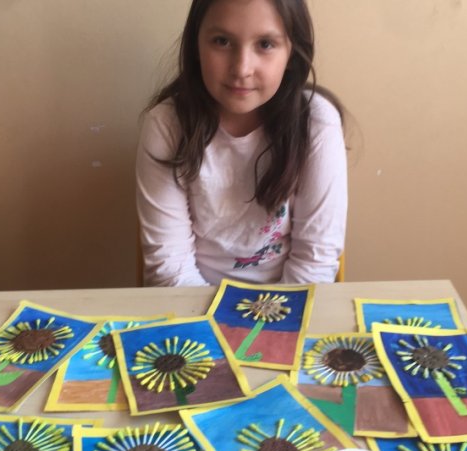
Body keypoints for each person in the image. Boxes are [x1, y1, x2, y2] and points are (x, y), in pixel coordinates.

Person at [136, 0, 347, 287]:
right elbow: (169, 266)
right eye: (222, 41)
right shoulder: (166, 125)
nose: (241, 68)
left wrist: (273, 314)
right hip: (192, 304)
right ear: (196, 44)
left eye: (265, 44)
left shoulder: (317, 123)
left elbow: (315, 262)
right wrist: (211, 316)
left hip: (290, 301)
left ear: (292, 53)